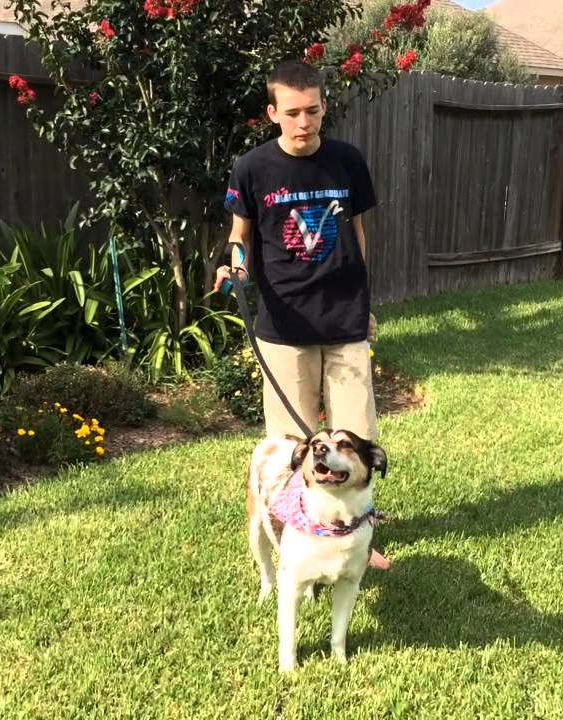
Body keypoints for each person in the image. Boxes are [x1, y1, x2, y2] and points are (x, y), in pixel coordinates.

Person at [216, 60, 390, 570]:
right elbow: (239, 237)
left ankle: (356, 537)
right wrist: (236, 267)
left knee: (354, 439)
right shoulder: (252, 168)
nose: (304, 122)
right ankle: (300, 540)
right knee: (294, 448)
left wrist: (364, 302)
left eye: (312, 110)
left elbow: (357, 235)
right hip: (284, 324)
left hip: (344, 318)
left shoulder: (347, 161)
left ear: (324, 107)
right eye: (292, 112)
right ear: (273, 113)